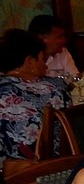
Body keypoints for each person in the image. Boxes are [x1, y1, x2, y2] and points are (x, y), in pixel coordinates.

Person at [0, 28, 70, 162]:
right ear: (30, 61)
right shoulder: (55, 89)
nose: (46, 66)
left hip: (6, 170)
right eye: (42, 59)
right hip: (45, 166)